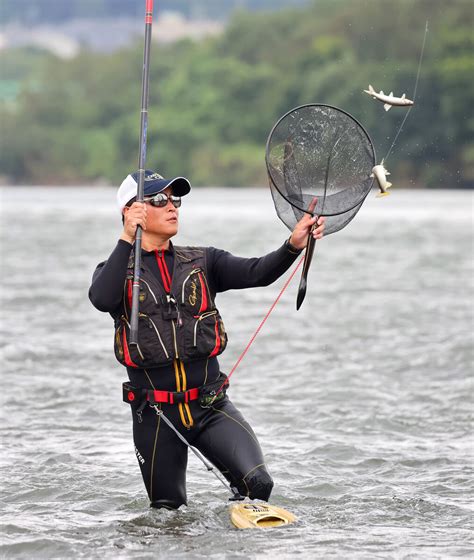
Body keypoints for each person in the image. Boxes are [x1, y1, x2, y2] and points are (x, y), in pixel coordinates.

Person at [89, 169, 325, 509]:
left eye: (175, 199)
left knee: (258, 483)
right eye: (158, 200)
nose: (172, 207)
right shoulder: (113, 271)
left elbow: (258, 272)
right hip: (156, 415)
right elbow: (101, 299)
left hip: (210, 406)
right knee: (168, 513)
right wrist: (127, 238)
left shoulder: (204, 260)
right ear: (131, 211)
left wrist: (293, 245)